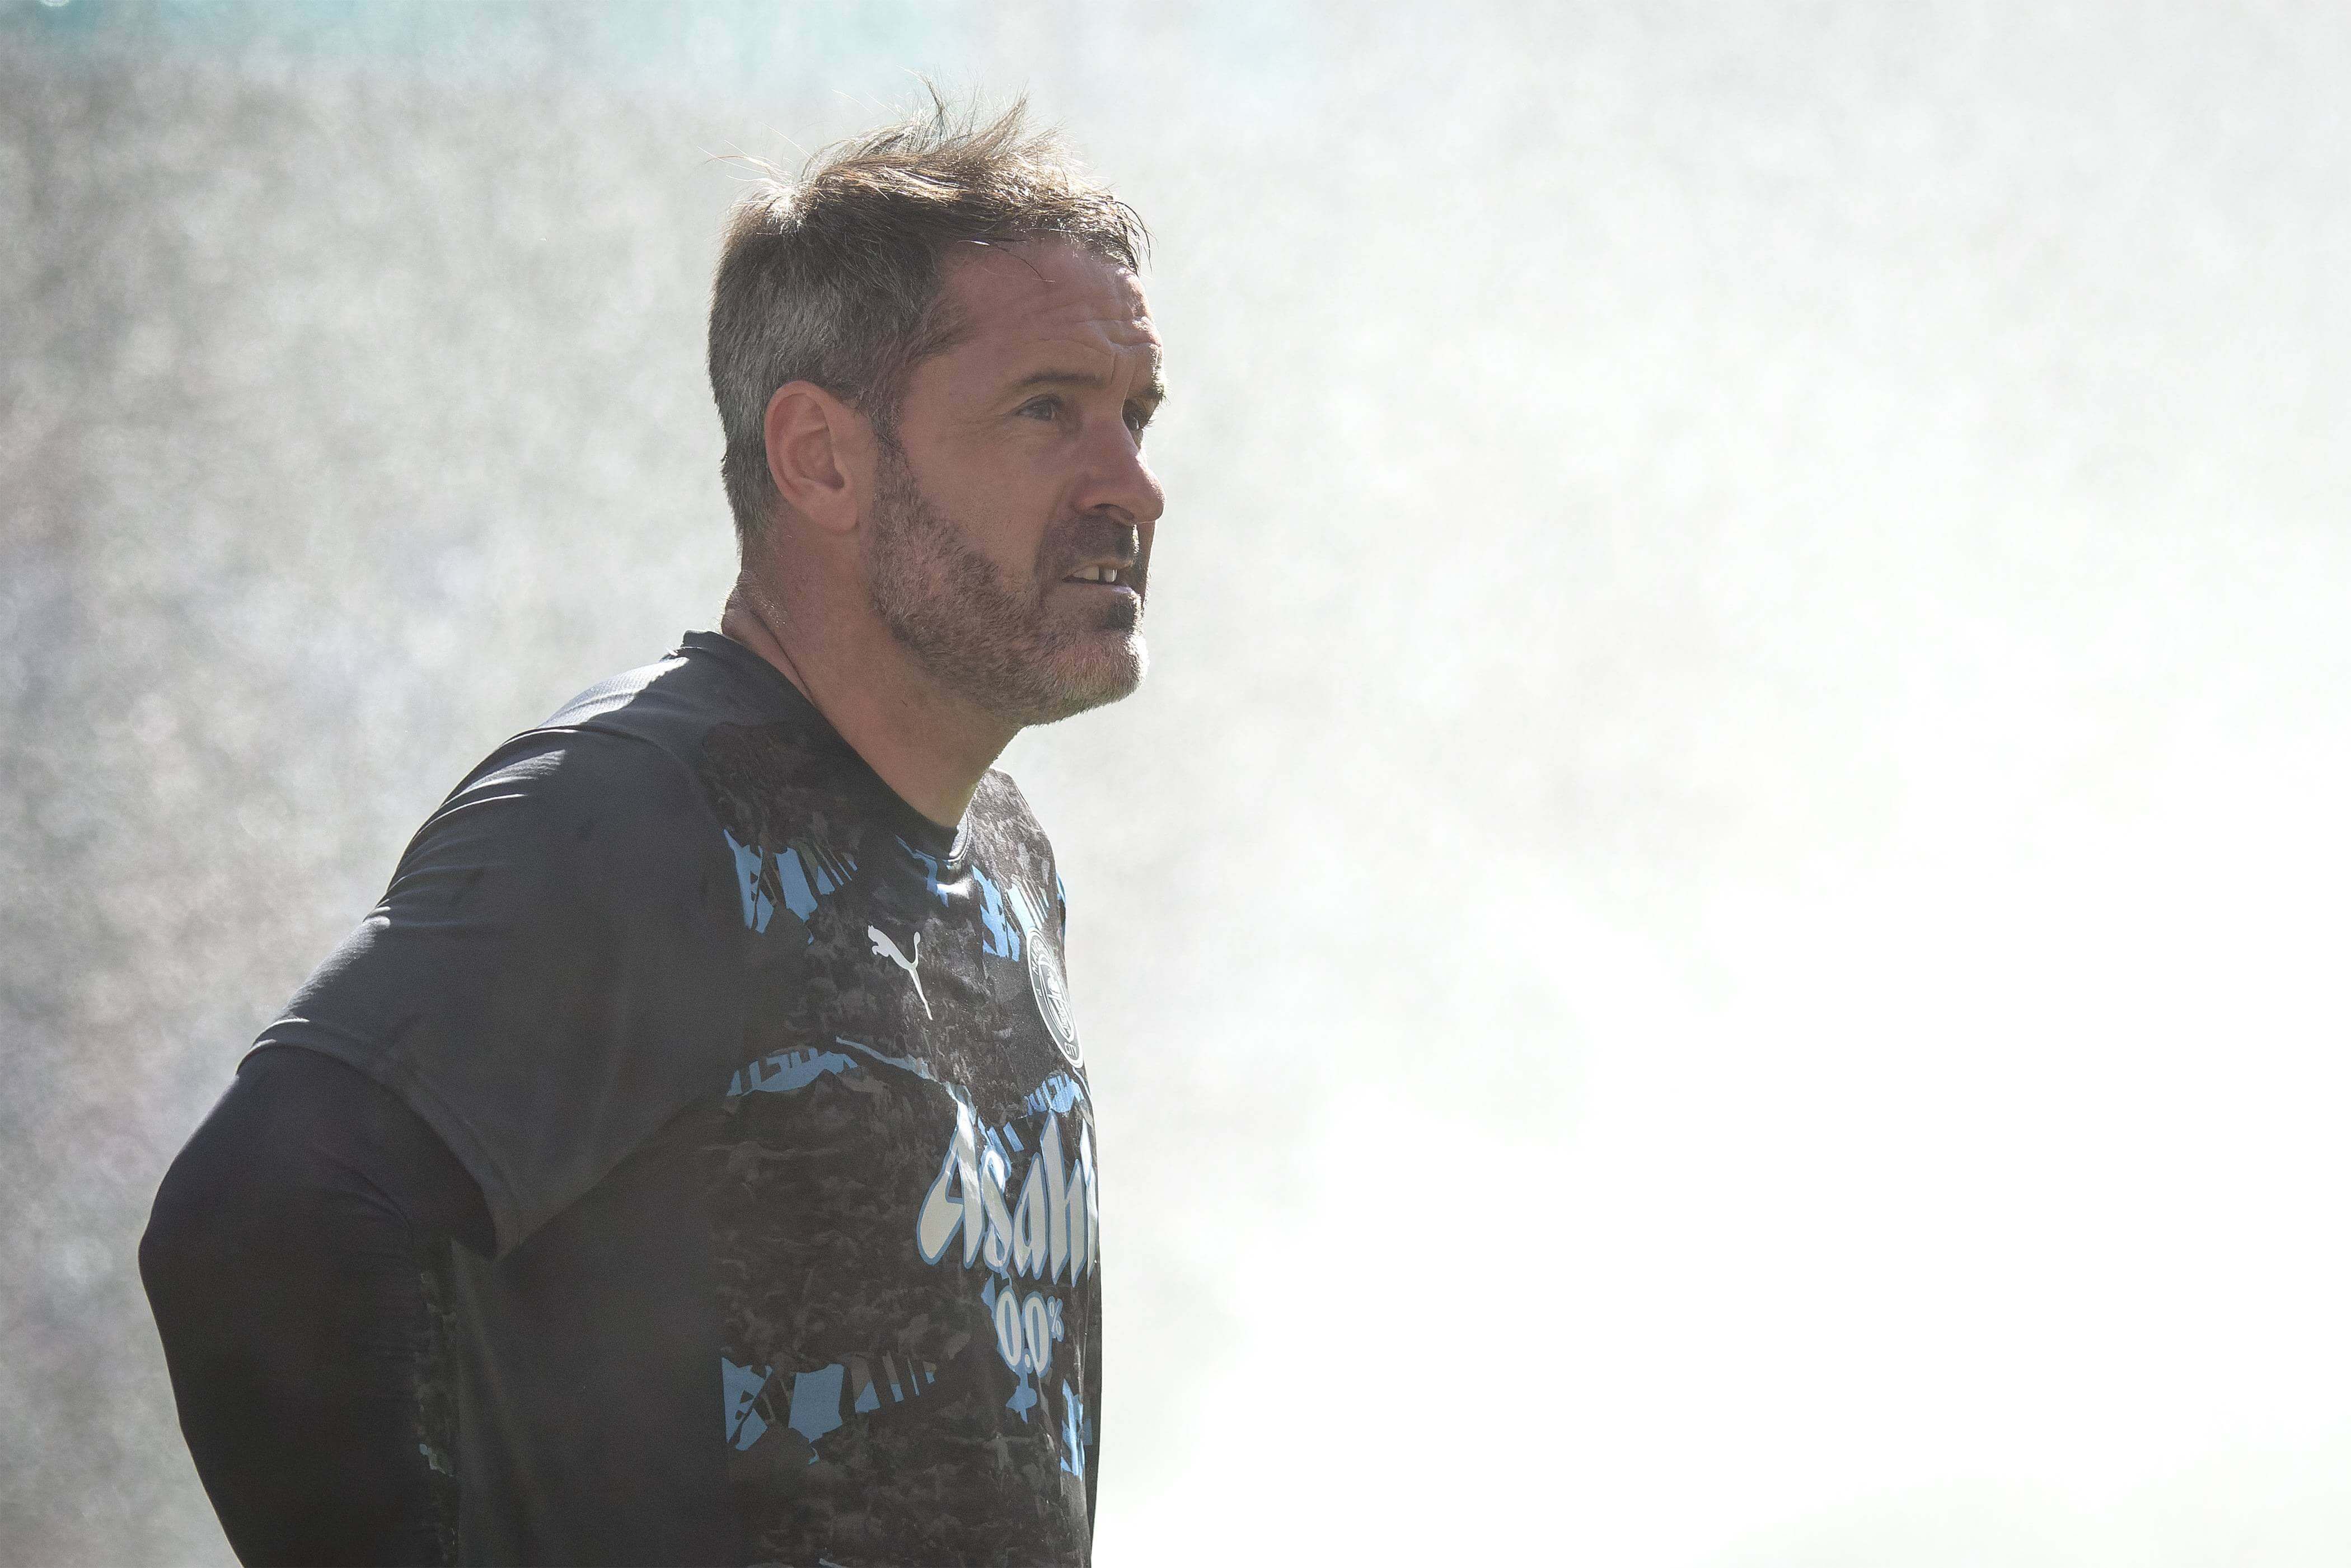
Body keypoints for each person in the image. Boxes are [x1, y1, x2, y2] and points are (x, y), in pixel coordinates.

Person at [139, 97, 1164, 1567]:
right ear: (819, 457)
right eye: (1048, 407)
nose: (1130, 483)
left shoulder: (1003, 846)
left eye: (1139, 412)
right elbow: (258, 1224)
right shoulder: (634, 811)